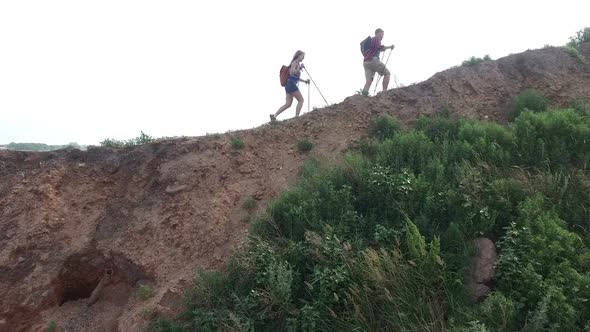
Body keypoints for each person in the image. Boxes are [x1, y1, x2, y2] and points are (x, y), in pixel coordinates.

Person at [271, 50, 310, 122]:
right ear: (298, 56)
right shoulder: (294, 63)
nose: (303, 58)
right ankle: (297, 117)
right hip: (291, 84)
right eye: (302, 56)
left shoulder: (296, 63)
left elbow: (295, 77)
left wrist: (304, 81)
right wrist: (299, 68)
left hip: (288, 84)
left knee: (288, 104)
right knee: (301, 100)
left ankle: (274, 115)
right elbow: (292, 73)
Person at [361, 28, 394, 96]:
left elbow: (377, 48)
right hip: (373, 60)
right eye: (382, 34)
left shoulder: (372, 41)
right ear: (377, 33)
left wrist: (382, 49)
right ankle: (384, 92)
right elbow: (380, 47)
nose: (382, 36)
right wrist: (390, 47)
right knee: (387, 74)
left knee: (369, 81)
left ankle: (363, 96)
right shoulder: (376, 38)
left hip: (366, 62)